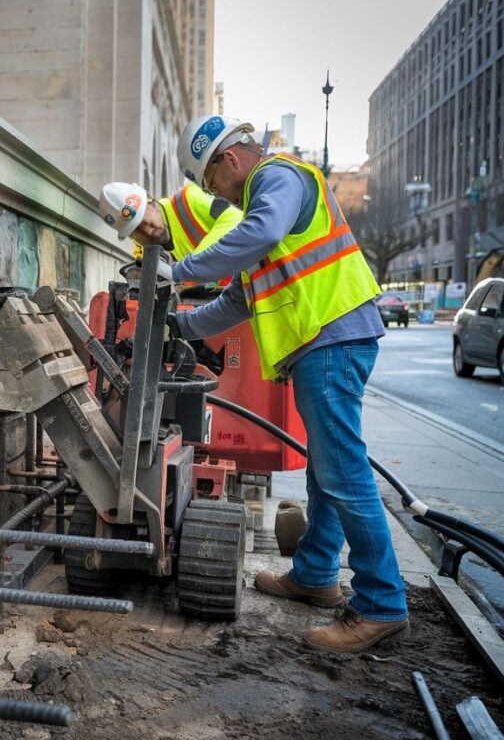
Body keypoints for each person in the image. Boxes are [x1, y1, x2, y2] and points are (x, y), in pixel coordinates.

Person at [171, 115, 408, 653]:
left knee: (344, 473)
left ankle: (381, 605)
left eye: (213, 185)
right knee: (329, 471)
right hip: (325, 344)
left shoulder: (278, 180)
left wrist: (178, 271)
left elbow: (263, 233)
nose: (219, 198)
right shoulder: (260, 208)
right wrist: (177, 324)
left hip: (331, 338)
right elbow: (237, 300)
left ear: (229, 159)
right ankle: (316, 575)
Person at [98, 180, 243, 266]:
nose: (147, 231)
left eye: (145, 219)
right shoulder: (143, 255)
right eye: (137, 230)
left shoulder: (190, 199)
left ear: (151, 200)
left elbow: (236, 218)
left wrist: (192, 266)